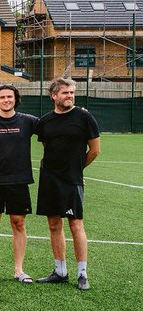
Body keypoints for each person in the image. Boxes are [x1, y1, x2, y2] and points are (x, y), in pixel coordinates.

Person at [35, 78, 100, 290]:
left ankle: (82, 273)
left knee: (76, 224)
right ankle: (60, 271)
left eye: (72, 92)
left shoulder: (84, 117)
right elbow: (47, 146)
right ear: (54, 96)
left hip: (72, 180)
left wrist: (77, 169)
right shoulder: (45, 121)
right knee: (54, 224)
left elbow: (94, 150)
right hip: (49, 179)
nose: (70, 96)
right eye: (65, 93)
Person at [0, 84, 39, 283]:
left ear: (15, 99)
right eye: (2, 97)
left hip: (19, 181)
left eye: (10, 97)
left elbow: (54, 127)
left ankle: (19, 270)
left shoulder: (29, 121)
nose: (6, 100)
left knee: (19, 224)